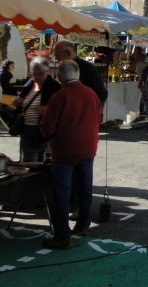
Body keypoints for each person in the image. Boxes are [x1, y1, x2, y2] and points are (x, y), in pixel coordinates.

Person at [40, 60, 102, 249]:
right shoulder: (91, 94)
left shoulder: (59, 97)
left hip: (65, 150)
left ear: (59, 76)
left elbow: (47, 128)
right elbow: (98, 118)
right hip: (88, 148)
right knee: (85, 189)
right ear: (77, 75)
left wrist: (47, 132)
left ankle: (62, 236)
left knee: (61, 193)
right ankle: (83, 226)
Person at [13, 57, 60, 161]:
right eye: (34, 73)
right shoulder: (29, 84)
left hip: (42, 131)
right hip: (25, 129)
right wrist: (16, 102)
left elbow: (62, 110)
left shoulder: (54, 87)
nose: (37, 76)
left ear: (47, 71)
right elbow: (22, 102)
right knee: (25, 160)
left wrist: (49, 111)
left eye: (41, 73)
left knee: (41, 161)